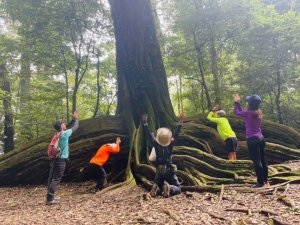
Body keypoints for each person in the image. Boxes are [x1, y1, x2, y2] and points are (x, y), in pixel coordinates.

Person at [142, 113, 184, 198]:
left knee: (158, 184)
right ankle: (170, 188)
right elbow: (175, 134)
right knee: (178, 188)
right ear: (168, 139)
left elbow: (149, 135)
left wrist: (145, 123)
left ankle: (156, 188)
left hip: (159, 171)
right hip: (169, 171)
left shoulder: (156, 144)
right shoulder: (170, 144)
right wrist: (180, 123)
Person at [234, 94, 270, 188]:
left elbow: (237, 112)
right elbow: (242, 112)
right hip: (261, 138)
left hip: (252, 139)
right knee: (263, 160)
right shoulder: (258, 112)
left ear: (250, 104)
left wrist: (236, 103)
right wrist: (238, 104)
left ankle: (260, 182)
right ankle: (266, 181)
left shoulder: (249, 113)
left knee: (257, 161)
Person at [46, 112, 79, 205]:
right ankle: (50, 199)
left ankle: (49, 197)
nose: (65, 124)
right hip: (61, 160)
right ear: (61, 126)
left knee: (51, 178)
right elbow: (75, 127)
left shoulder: (57, 134)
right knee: (56, 179)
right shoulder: (65, 134)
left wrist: (72, 120)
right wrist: (76, 119)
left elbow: (68, 126)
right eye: (63, 123)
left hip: (54, 158)